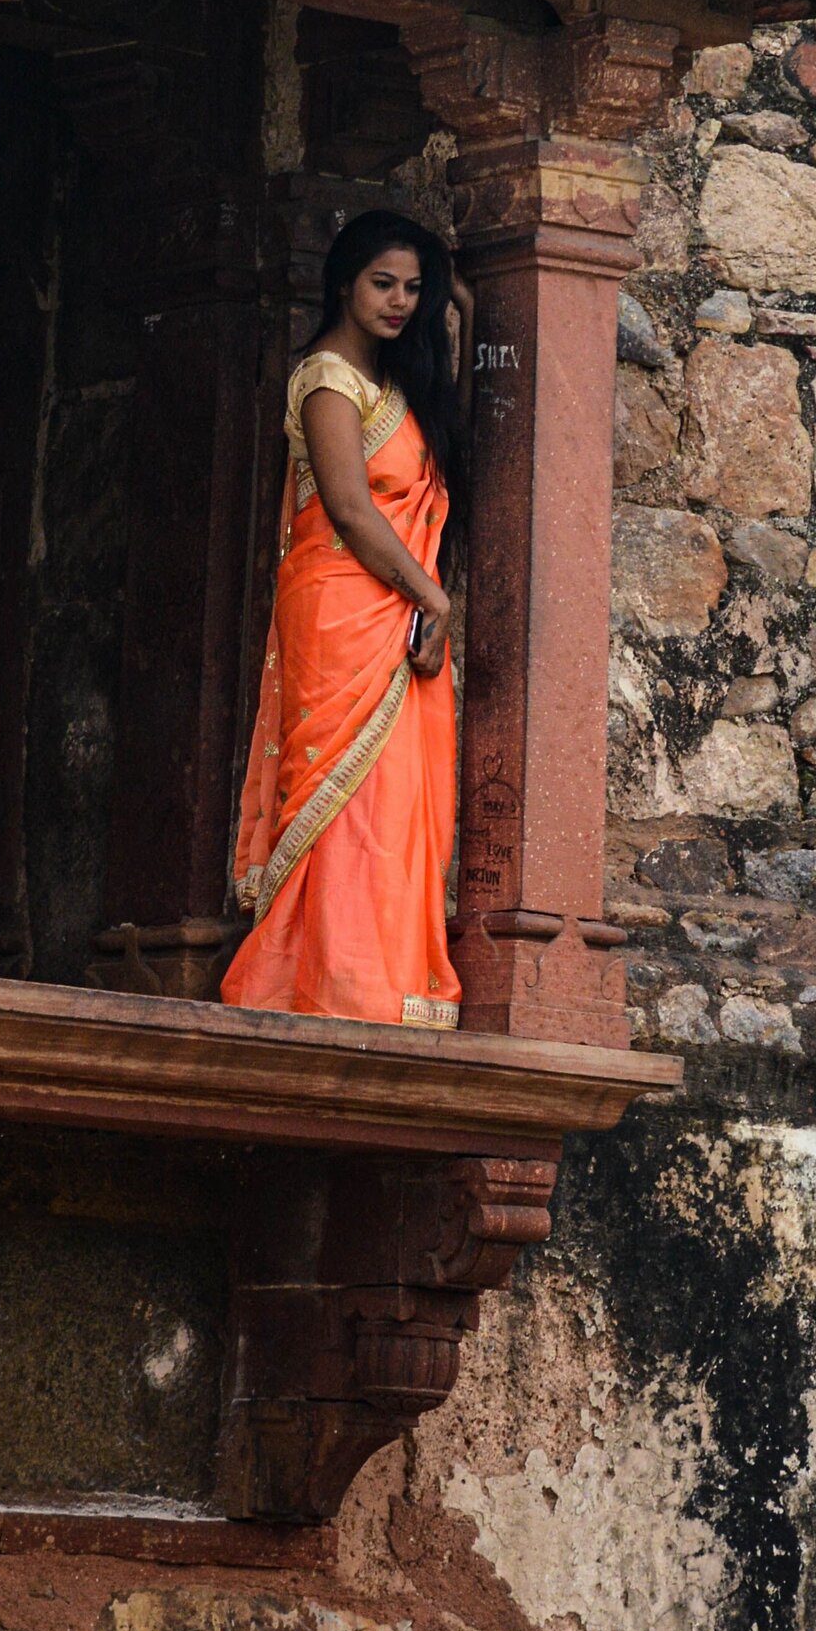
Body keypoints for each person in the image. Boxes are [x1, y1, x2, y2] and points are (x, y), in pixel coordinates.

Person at [224, 210, 471, 1029]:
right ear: (343, 282)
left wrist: (459, 307)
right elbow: (351, 509)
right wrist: (433, 598)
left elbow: (441, 456)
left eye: (413, 288)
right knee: (347, 797)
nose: (400, 301)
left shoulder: (398, 388)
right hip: (342, 607)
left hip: (392, 606)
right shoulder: (327, 378)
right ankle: (325, 984)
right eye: (383, 283)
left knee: (397, 798)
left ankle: (382, 984)